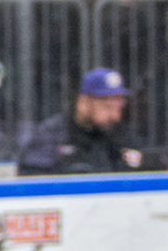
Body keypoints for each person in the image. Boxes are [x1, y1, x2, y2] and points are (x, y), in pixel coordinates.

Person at [18, 67, 147, 174]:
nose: (115, 116)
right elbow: (33, 181)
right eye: (107, 107)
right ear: (83, 103)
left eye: (119, 108)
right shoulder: (53, 136)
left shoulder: (120, 135)